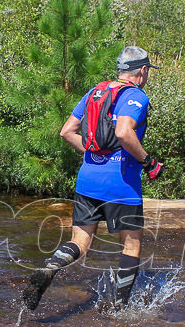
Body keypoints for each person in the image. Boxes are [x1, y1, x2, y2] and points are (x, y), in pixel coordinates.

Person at [21, 46, 163, 312]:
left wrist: (94, 156)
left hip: (88, 180)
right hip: (121, 184)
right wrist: (148, 162)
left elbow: (66, 132)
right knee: (131, 245)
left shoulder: (94, 92)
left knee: (80, 243)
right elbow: (123, 132)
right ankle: (119, 309)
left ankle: (51, 267)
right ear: (142, 71)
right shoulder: (136, 96)